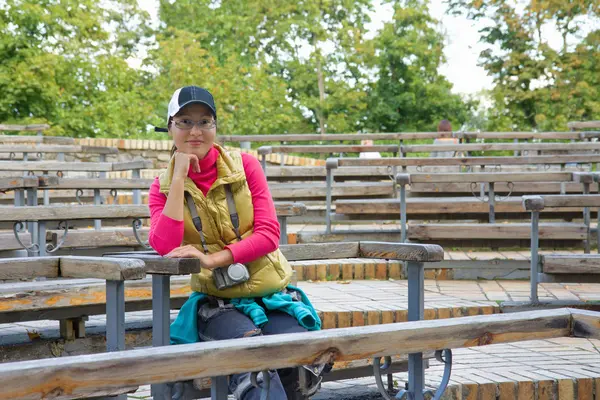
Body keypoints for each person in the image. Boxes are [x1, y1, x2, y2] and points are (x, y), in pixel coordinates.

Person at [148, 86, 323, 400]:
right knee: (254, 364)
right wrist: (178, 178)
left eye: (205, 121)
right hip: (218, 305)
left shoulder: (246, 166)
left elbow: (269, 234)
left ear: (215, 127)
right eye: (184, 121)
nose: (195, 131)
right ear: (170, 127)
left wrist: (212, 259)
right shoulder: (161, 187)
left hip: (271, 295)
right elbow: (164, 245)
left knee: (299, 358)